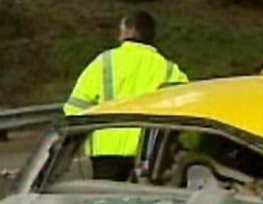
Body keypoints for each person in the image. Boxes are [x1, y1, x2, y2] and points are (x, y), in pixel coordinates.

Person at [64, 11, 188, 181]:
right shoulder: (168, 69)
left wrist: (78, 137)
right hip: (149, 155)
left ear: (129, 30)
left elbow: (74, 107)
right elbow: (186, 110)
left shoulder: (104, 62)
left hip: (105, 151)